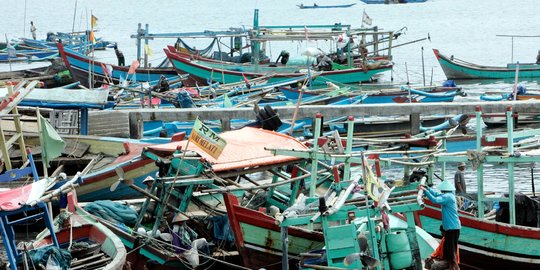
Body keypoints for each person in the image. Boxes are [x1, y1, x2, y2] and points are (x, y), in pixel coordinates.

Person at [420, 181, 461, 270]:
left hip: (452, 227)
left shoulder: (448, 197)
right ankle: (453, 266)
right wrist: (427, 188)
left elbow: (435, 200)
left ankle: (454, 267)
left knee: (451, 251)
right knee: (451, 250)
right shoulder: (448, 195)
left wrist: (425, 191)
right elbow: (436, 194)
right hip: (452, 227)